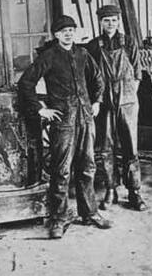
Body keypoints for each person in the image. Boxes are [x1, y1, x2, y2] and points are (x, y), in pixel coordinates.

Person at [18, 15, 112, 239]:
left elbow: (98, 79)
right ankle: (59, 218)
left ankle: (90, 212)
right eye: (63, 31)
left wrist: (96, 102)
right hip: (63, 121)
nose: (68, 33)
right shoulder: (49, 56)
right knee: (61, 171)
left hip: (86, 118)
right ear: (56, 35)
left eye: (71, 29)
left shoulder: (82, 54)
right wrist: (40, 109)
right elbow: (26, 83)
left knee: (88, 167)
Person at [85, 5, 147, 211]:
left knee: (130, 146)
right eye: (106, 20)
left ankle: (134, 192)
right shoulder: (93, 45)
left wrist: (128, 95)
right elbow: (91, 77)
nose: (110, 23)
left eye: (113, 20)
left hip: (127, 98)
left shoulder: (129, 42)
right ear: (100, 23)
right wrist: (100, 99)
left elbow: (137, 72)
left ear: (118, 21)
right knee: (105, 146)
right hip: (104, 100)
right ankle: (111, 188)